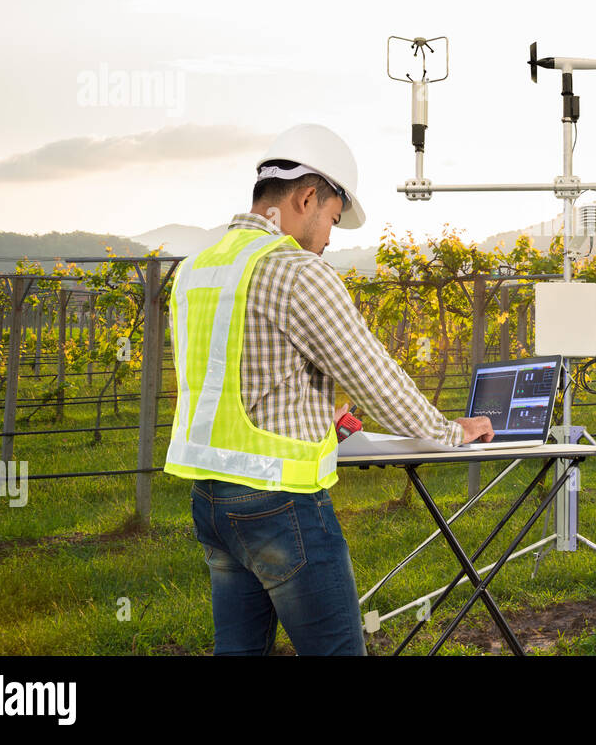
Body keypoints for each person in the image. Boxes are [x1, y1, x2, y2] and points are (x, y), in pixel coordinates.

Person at [163, 122, 494, 655]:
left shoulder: (196, 269)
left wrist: (317, 417)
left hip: (211, 503)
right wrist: (449, 431)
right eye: (333, 220)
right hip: (281, 505)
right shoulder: (296, 271)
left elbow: (232, 378)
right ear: (308, 196)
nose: (329, 238)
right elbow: (377, 378)